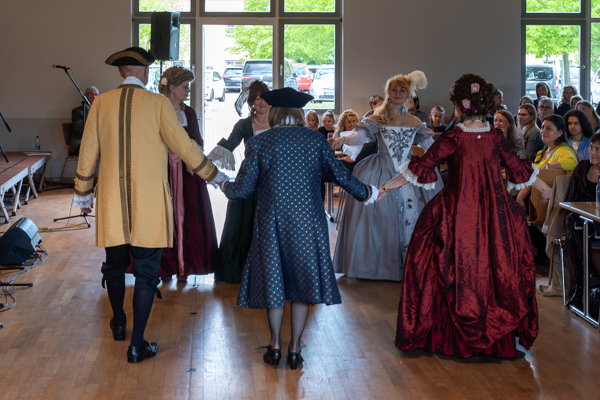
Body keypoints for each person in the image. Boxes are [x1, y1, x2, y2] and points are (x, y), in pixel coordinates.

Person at [381, 73, 553, 357]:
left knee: (445, 263)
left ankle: (447, 335)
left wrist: (385, 187)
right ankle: (493, 333)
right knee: (494, 266)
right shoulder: (495, 137)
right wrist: (545, 188)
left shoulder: (454, 136)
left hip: (458, 213)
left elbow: (421, 167)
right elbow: (518, 167)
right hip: (494, 215)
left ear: (459, 105)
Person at [73, 47, 226, 363]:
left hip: (112, 203)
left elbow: (88, 151)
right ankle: (136, 344)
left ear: (120, 72)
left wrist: (83, 191)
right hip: (149, 203)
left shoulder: (100, 103)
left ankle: (119, 323)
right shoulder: (158, 104)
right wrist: (214, 175)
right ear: (144, 72)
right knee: (145, 273)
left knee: (114, 266)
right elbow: (183, 146)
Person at [221, 87, 378, 369]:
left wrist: (221, 183)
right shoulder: (315, 140)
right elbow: (341, 176)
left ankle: (275, 346)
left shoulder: (260, 142)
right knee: (302, 285)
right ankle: (295, 349)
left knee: (275, 282)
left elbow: (242, 190)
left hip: (272, 223)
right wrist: (368, 192)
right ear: (299, 113)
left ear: (274, 113)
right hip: (308, 222)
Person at [331, 71, 442, 281]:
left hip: (409, 171)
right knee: (379, 216)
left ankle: (412, 264)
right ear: (388, 92)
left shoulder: (415, 121)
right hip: (381, 169)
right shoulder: (377, 118)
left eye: (402, 90)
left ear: (409, 94)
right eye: (394, 89)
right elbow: (359, 137)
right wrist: (341, 140)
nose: (398, 93)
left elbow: (431, 146)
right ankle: (378, 267)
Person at [155, 66, 220, 281]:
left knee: (188, 218)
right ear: (172, 88)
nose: (188, 91)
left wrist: (193, 153)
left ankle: (185, 267)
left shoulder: (189, 113)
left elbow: (197, 141)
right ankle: (165, 267)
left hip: (188, 174)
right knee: (163, 218)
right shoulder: (156, 110)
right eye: (185, 87)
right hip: (162, 172)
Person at [209, 81, 270, 284]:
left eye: (264, 97)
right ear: (251, 102)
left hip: (273, 179)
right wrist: (204, 163)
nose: (261, 102)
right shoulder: (244, 124)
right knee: (245, 222)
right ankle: (243, 269)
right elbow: (228, 145)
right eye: (256, 98)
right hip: (250, 178)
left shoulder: (279, 122)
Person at [564, 134, 600, 310]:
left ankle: (581, 286)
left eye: (597, 149)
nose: (592, 152)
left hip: (596, 223)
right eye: (591, 148)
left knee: (572, 232)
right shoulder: (582, 168)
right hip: (582, 220)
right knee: (572, 220)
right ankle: (588, 277)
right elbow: (570, 199)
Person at [517, 114, 578, 210]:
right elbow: (531, 178)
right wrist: (520, 198)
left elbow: (572, 163)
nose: (543, 131)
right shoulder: (540, 153)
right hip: (536, 197)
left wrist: (548, 166)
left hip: (553, 201)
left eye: (548, 129)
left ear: (560, 132)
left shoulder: (563, 150)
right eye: (542, 127)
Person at [70, 86, 99, 156]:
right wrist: (91, 115)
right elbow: (79, 128)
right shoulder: (77, 111)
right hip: (80, 142)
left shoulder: (100, 110)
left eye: (96, 95)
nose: (94, 97)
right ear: (85, 96)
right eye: (91, 94)